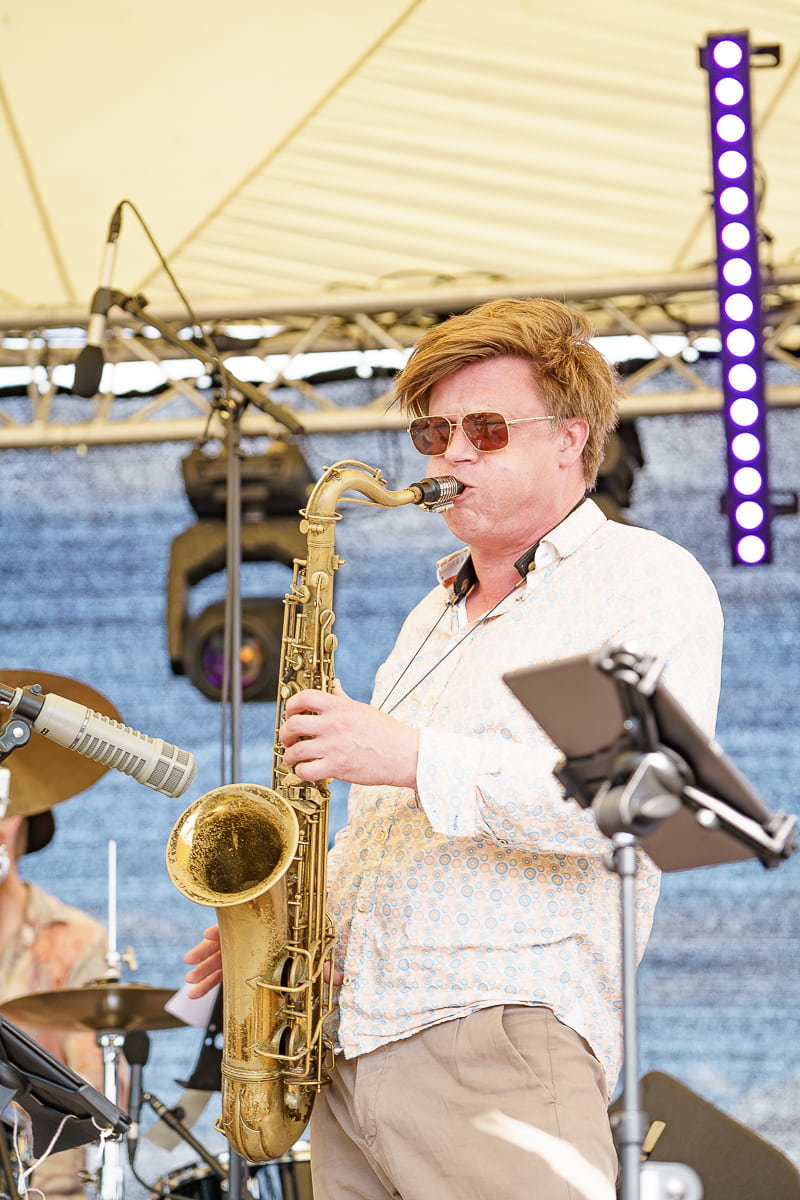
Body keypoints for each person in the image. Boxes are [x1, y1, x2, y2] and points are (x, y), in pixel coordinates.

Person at [185, 297, 724, 1199]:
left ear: (571, 439)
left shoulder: (640, 579)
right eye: (434, 434)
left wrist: (412, 756)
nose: (452, 456)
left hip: (499, 1039)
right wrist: (282, 929)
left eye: (487, 430)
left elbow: (641, 803)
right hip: (348, 1048)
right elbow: (388, 827)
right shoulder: (427, 617)